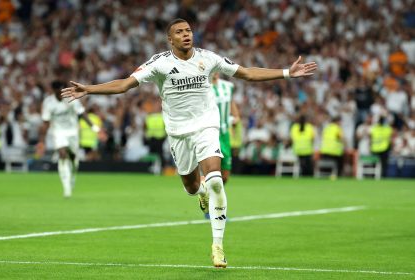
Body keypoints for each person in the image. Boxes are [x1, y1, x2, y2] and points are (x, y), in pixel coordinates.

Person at [61, 18, 317, 268]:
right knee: (192, 186)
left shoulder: (208, 58)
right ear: (169, 39)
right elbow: (125, 84)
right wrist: (90, 89)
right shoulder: (159, 63)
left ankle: (218, 245)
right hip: (178, 133)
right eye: (180, 31)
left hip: (207, 125)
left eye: (189, 30)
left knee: (216, 179)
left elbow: (247, 73)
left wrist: (286, 72)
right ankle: (201, 192)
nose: (186, 34)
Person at [37, 80, 100, 198]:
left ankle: (73, 175)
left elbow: (82, 114)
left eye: (62, 89)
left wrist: (94, 127)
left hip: (73, 132)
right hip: (58, 132)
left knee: (73, 159)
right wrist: (42, 140)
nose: (61, 92)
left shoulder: (71, 97)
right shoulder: (48, 102)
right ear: (54, 90)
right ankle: (66, 188)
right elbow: (45, 123)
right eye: (58, 90)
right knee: (62, 154)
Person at [211, 72, 240, 184]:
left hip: (224, 134)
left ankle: (216, 196)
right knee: (212, 171)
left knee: (225, 176)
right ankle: (208, 198)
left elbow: (231, 103)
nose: (216, 72)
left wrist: (236, 118)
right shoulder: (203, 88)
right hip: (209, 134)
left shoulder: (228, 86)